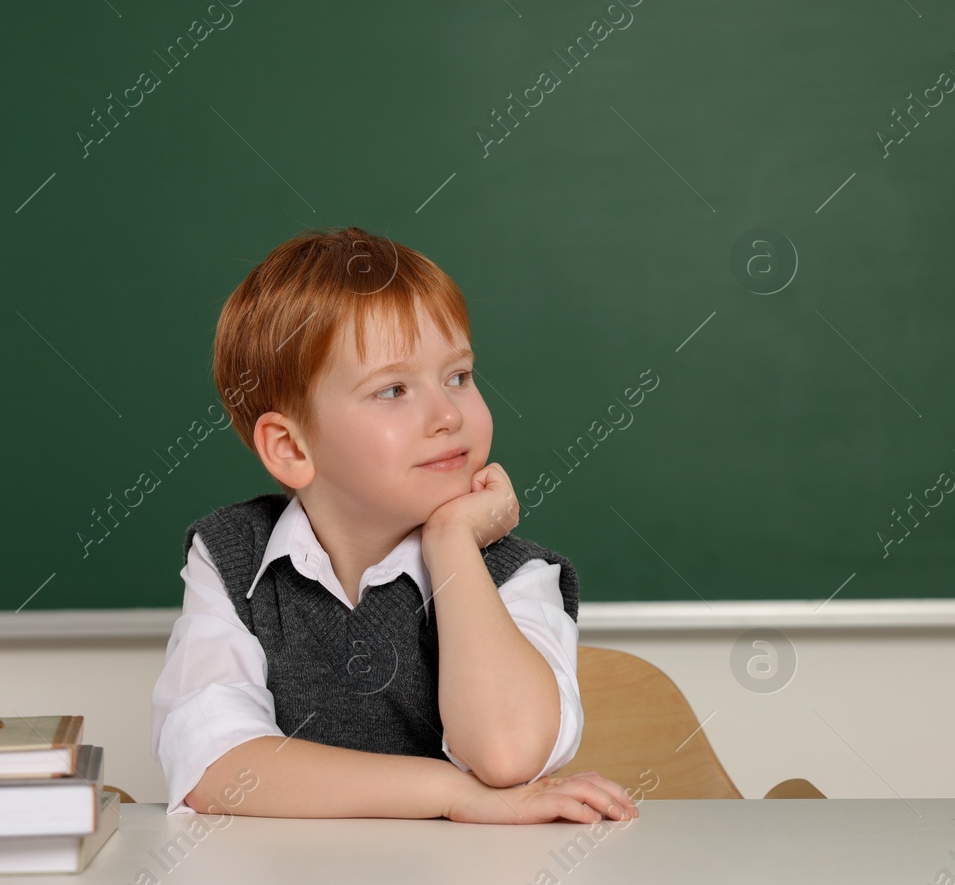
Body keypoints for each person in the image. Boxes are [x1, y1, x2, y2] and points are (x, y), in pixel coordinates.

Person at [150, 226, 638, 825]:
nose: (448, 414)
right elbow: (217, 767)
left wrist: (452, 542)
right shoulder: (229, 558)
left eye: (458, 376)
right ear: (291, 447)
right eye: (393, 390)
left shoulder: (514, 573)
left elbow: (507, 754)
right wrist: (452, 794)